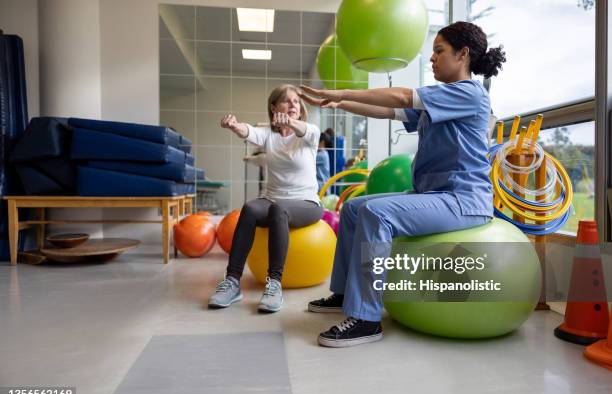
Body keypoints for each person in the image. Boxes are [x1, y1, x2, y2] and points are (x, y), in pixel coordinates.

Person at [300, 21, 506, 347]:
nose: (432, 59)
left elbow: (401, 95)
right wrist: (340, 104)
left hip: (463, 199)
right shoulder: (442, 99)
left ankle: (367, 318)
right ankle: (343, 293)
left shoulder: (470, 94)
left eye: (439, 51)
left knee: (377, 215)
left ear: (463, 54)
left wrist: (341, 91)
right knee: (354, 207)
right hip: (434, 194)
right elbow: (391, 111)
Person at [209, 84, 324, 313]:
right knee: (250, 208)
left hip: (307, 203)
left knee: (278, 209)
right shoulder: (269, 136)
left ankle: (274, 284)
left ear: (300, 109)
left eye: (296, 102)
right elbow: (248, 131)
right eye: (286, 101)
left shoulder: (309, 133)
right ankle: (232, 282)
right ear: (274, 107)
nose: (293, 105)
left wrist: (290, 122)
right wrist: (234, 126)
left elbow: (303, 129)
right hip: (273, 200)